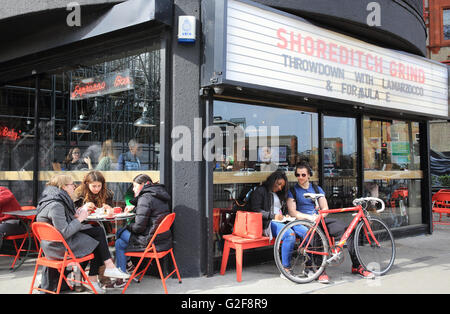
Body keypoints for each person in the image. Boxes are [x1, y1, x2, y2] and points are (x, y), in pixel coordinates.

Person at [35, 174, 130, 294]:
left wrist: (75, 214)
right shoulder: (56, 205)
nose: (74, 187)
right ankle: (98, 275)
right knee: (97, 240)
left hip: (51, 246)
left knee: (97, 233)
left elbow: (61, 223)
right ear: (64, 187)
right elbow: (64, 232)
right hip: (59, 248)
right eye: (72, 185)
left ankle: (101, 271)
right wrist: (79, 218)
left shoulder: (53, 199)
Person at [287, 161, 374, 284]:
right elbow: (293, 212)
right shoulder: (293, 191)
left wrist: (319, 216)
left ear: (309, 175)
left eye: (303, 175)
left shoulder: (317, 188)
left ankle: (356, 265)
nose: (300, 178)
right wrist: (309, 218)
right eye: (298, 175)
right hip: (305, 222)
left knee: (347, 231)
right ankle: (320, 271)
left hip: (320, 219)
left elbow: (325, 208)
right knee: (317, 235)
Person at [113, 174, 171, 288]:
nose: (133, 189)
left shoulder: (145, 198)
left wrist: (128, 227)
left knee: (118, 233)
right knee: (119, 243)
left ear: (143, 184)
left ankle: (123, 272)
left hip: (149, 242)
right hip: (161, 239)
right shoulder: (158, 193)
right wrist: (135, 207)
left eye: (135, 186)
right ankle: (123, 273)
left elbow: (138, 227)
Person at [249, 170, 308, 278]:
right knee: (289, 234)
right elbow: (255, 211)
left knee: (306, 232)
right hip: (268, 223)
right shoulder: (261, 191)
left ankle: (309, 266)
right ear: (272, 180)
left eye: (282, 186)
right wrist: (273, 216)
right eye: (279, 184)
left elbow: (281, 210)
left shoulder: (279, 194)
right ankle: (286, 269)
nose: (280, 188)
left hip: (282, 221)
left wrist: (286, 216)